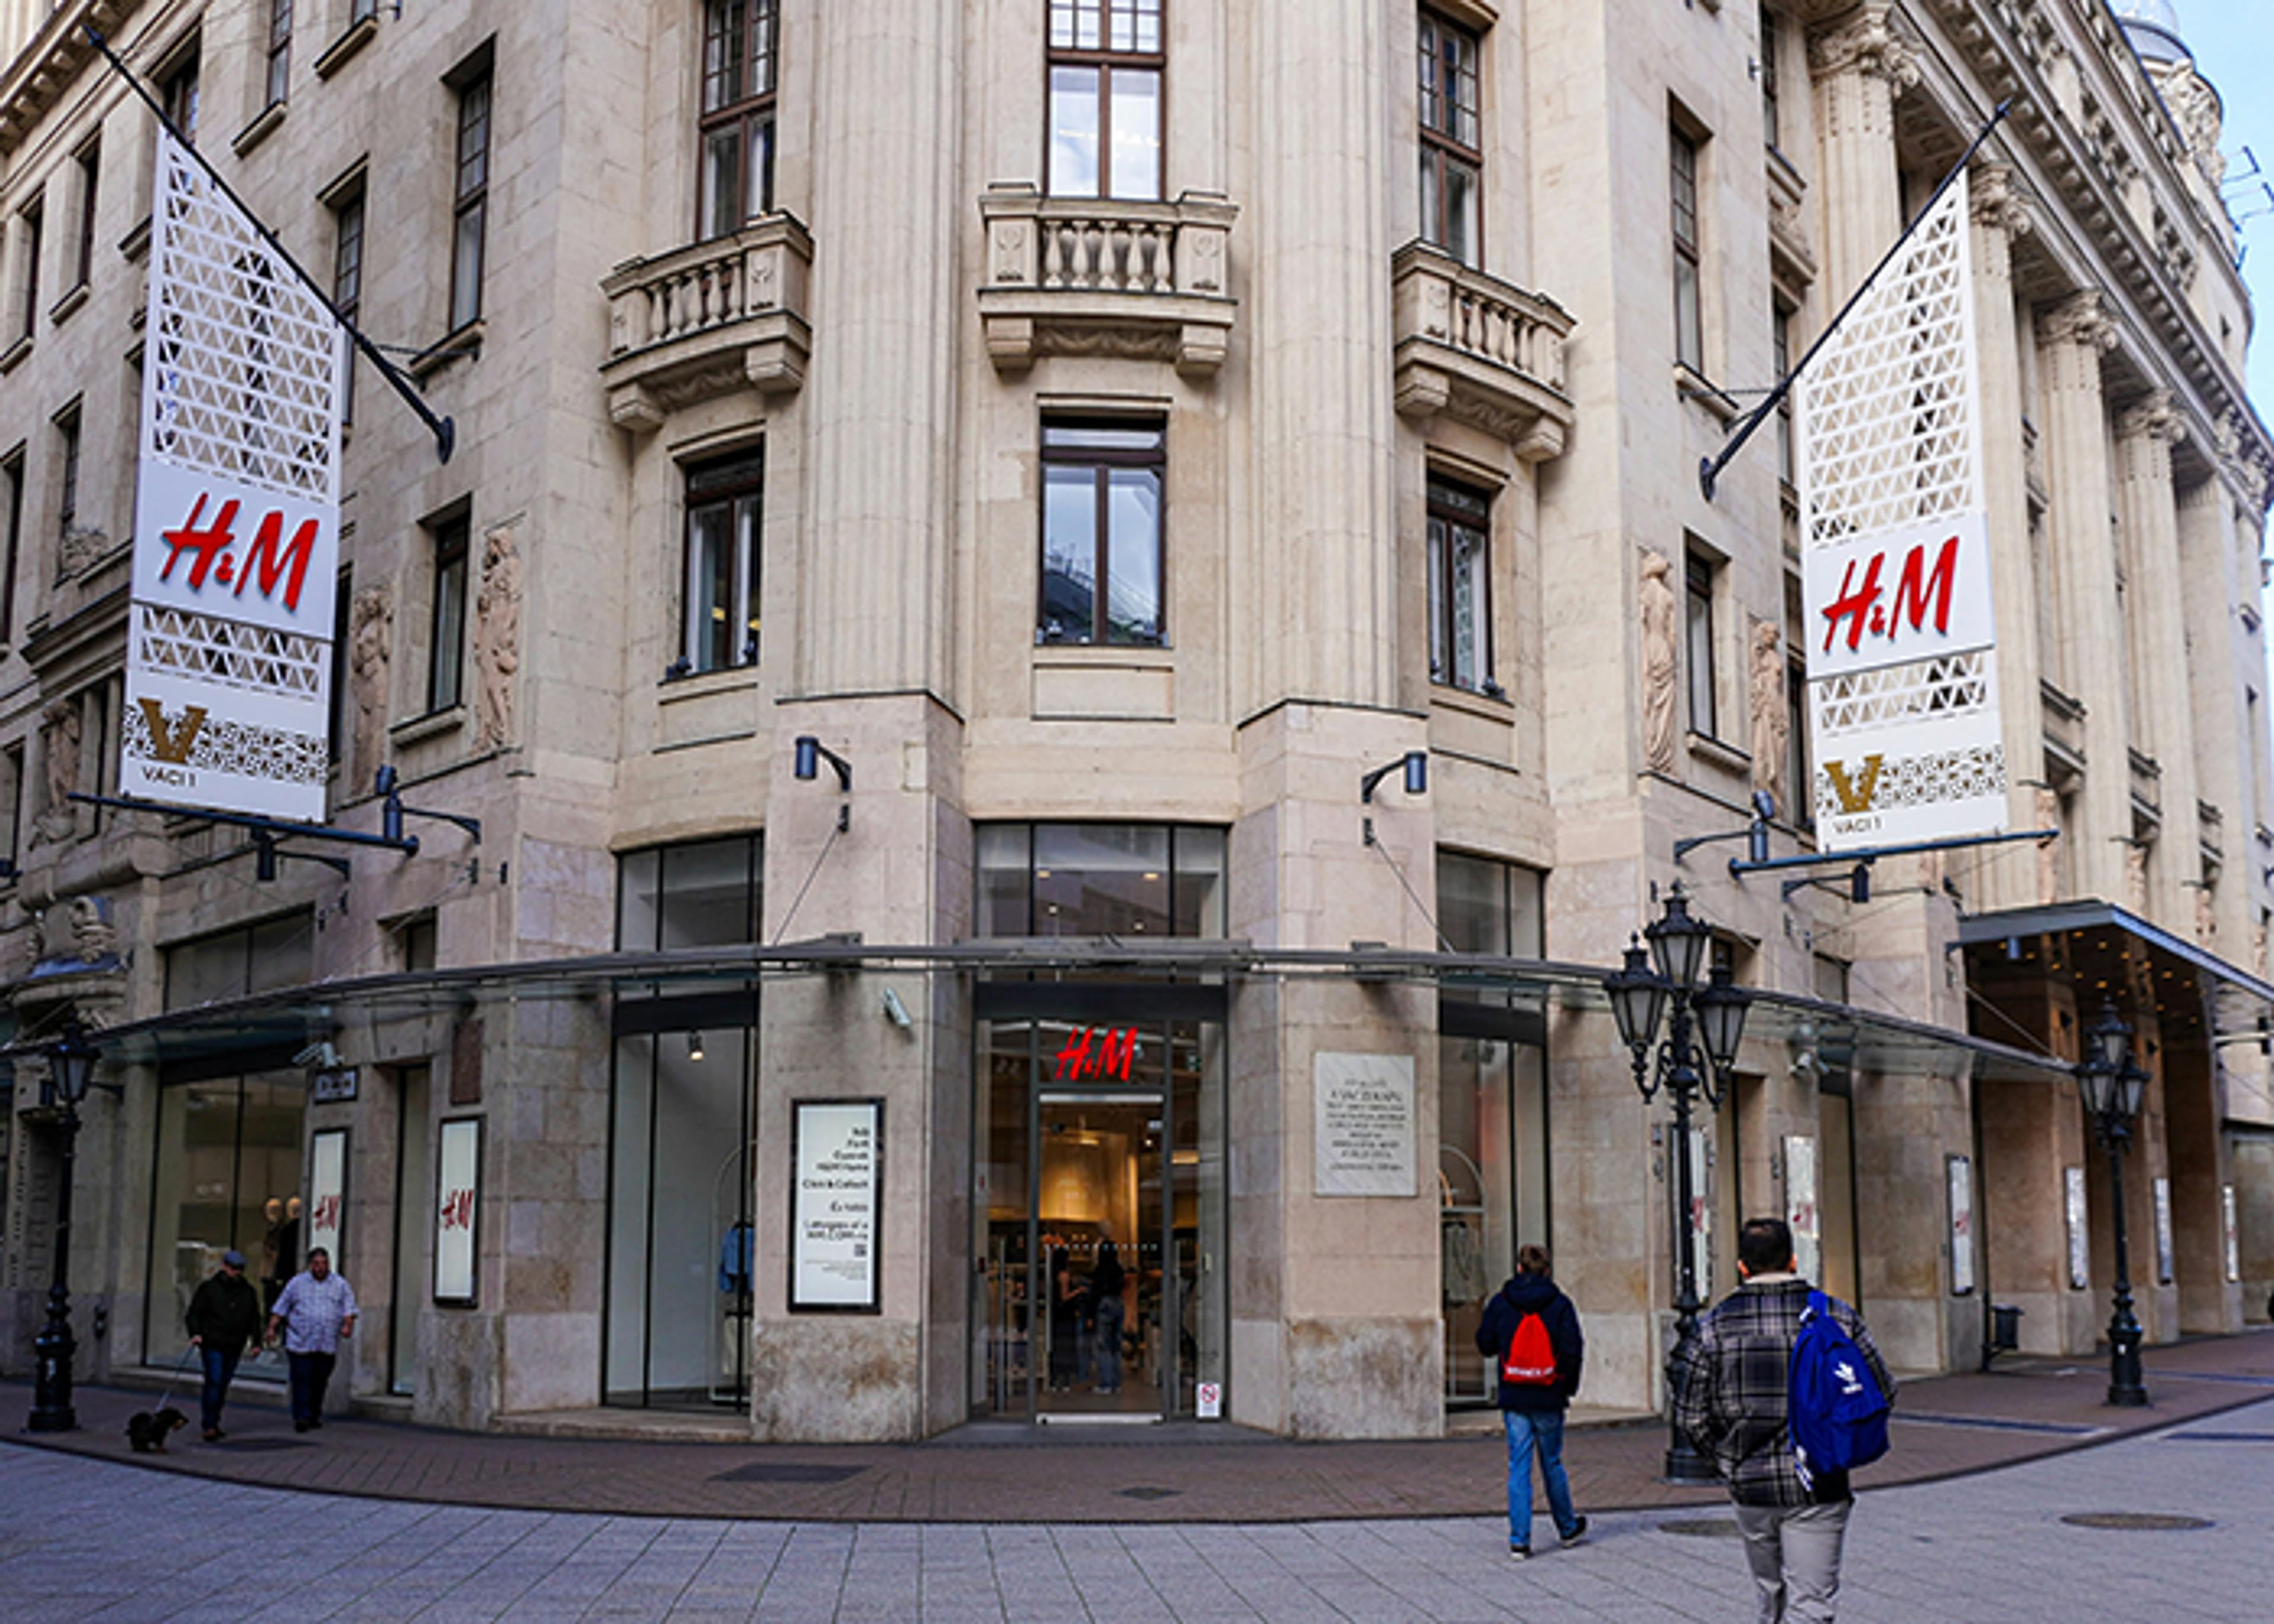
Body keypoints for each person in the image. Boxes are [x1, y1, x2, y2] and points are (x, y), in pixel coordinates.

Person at [1675, 1217, 1894, 1624]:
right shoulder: (1835, 1316)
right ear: (1793, 1259)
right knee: (1812, 1602)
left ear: (1742, 1266)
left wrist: (1727, 1460)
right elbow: (1881, 1390)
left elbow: (1690, 1417)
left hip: (1751, 1482)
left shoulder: (1714, 1327)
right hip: (1820, 1480)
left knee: (1769, 1593)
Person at [1475, 1242, 1588, 1558]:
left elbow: (1484, 1343)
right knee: (1552, 1462)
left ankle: (1519, 1540)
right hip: (1549, 1393)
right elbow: (1573, 1350)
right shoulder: (1560, 1304)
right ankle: (1567, 1528)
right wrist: (1567, 1388)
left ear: (1520, 1268)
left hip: (1515, 1393)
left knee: (1518, 1465)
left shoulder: (1501, 1302)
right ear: (1547, 1270)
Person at [265, 1247, 359, 1433]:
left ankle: (314, 1414)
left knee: (319, 1381)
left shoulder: (339, 1284)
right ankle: (301, 1416)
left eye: (324, 1264)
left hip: (326, 1343)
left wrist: (347, 1325)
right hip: (300, 1341)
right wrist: (271, 1328)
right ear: (310, 1265)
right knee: (301, 1379)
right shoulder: (297, 1283)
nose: (321, 1268)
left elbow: (348, 1309)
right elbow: (281, 1307)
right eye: (317, 1264)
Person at [184, 1249, 263, 1441]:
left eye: (239, 1270)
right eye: (233, 1269)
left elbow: (254, 1319)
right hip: (213, 1341)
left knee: (222, 1384)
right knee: (215, 1381)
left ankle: (214, 1420)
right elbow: (195, 1313)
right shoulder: (210, 1289)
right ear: (224, 1267)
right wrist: (195, 1333)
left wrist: (256, 1342)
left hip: (235, 1343)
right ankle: (209, 1424)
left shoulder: (247, 1292)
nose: (236, 1273)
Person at [1090, 1238, 1128, 1395]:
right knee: (1115, 1345)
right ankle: (1116, 1382)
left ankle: (1106, 1383)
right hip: (1118, 1303)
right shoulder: (1118, 1269)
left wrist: (1091, 1314)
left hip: (1104, 1304)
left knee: (1103, 1346)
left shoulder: (1100, 1270)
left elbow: (1096, 1292)